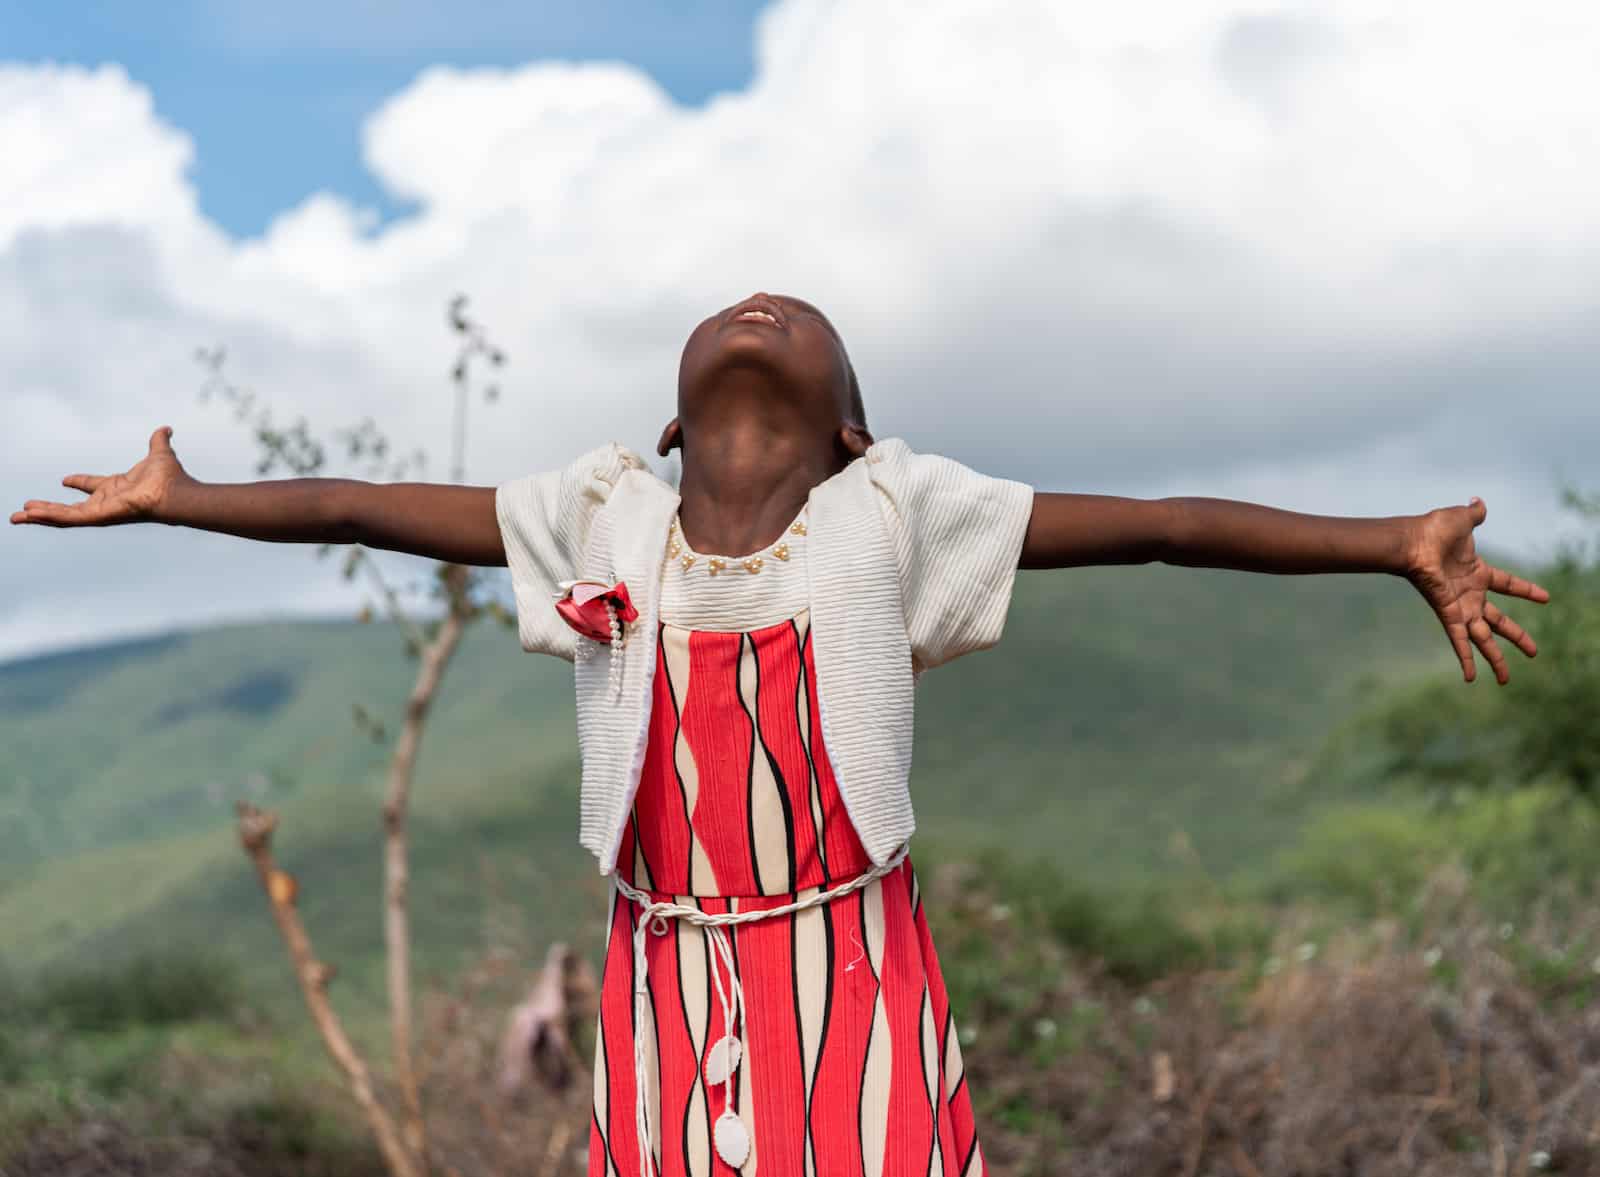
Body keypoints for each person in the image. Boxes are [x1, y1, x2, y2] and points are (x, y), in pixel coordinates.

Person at [10, 291, 1550, 1176]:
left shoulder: (896, 506)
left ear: (851, 428)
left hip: (847, 953)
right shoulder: (602, 507)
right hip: (660, 960)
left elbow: (1164, 523)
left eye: (800, 321)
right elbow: (358, 501)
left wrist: (1395, 536)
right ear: (674, 422)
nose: (762, 304)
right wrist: (187, 498)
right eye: (738, 312)